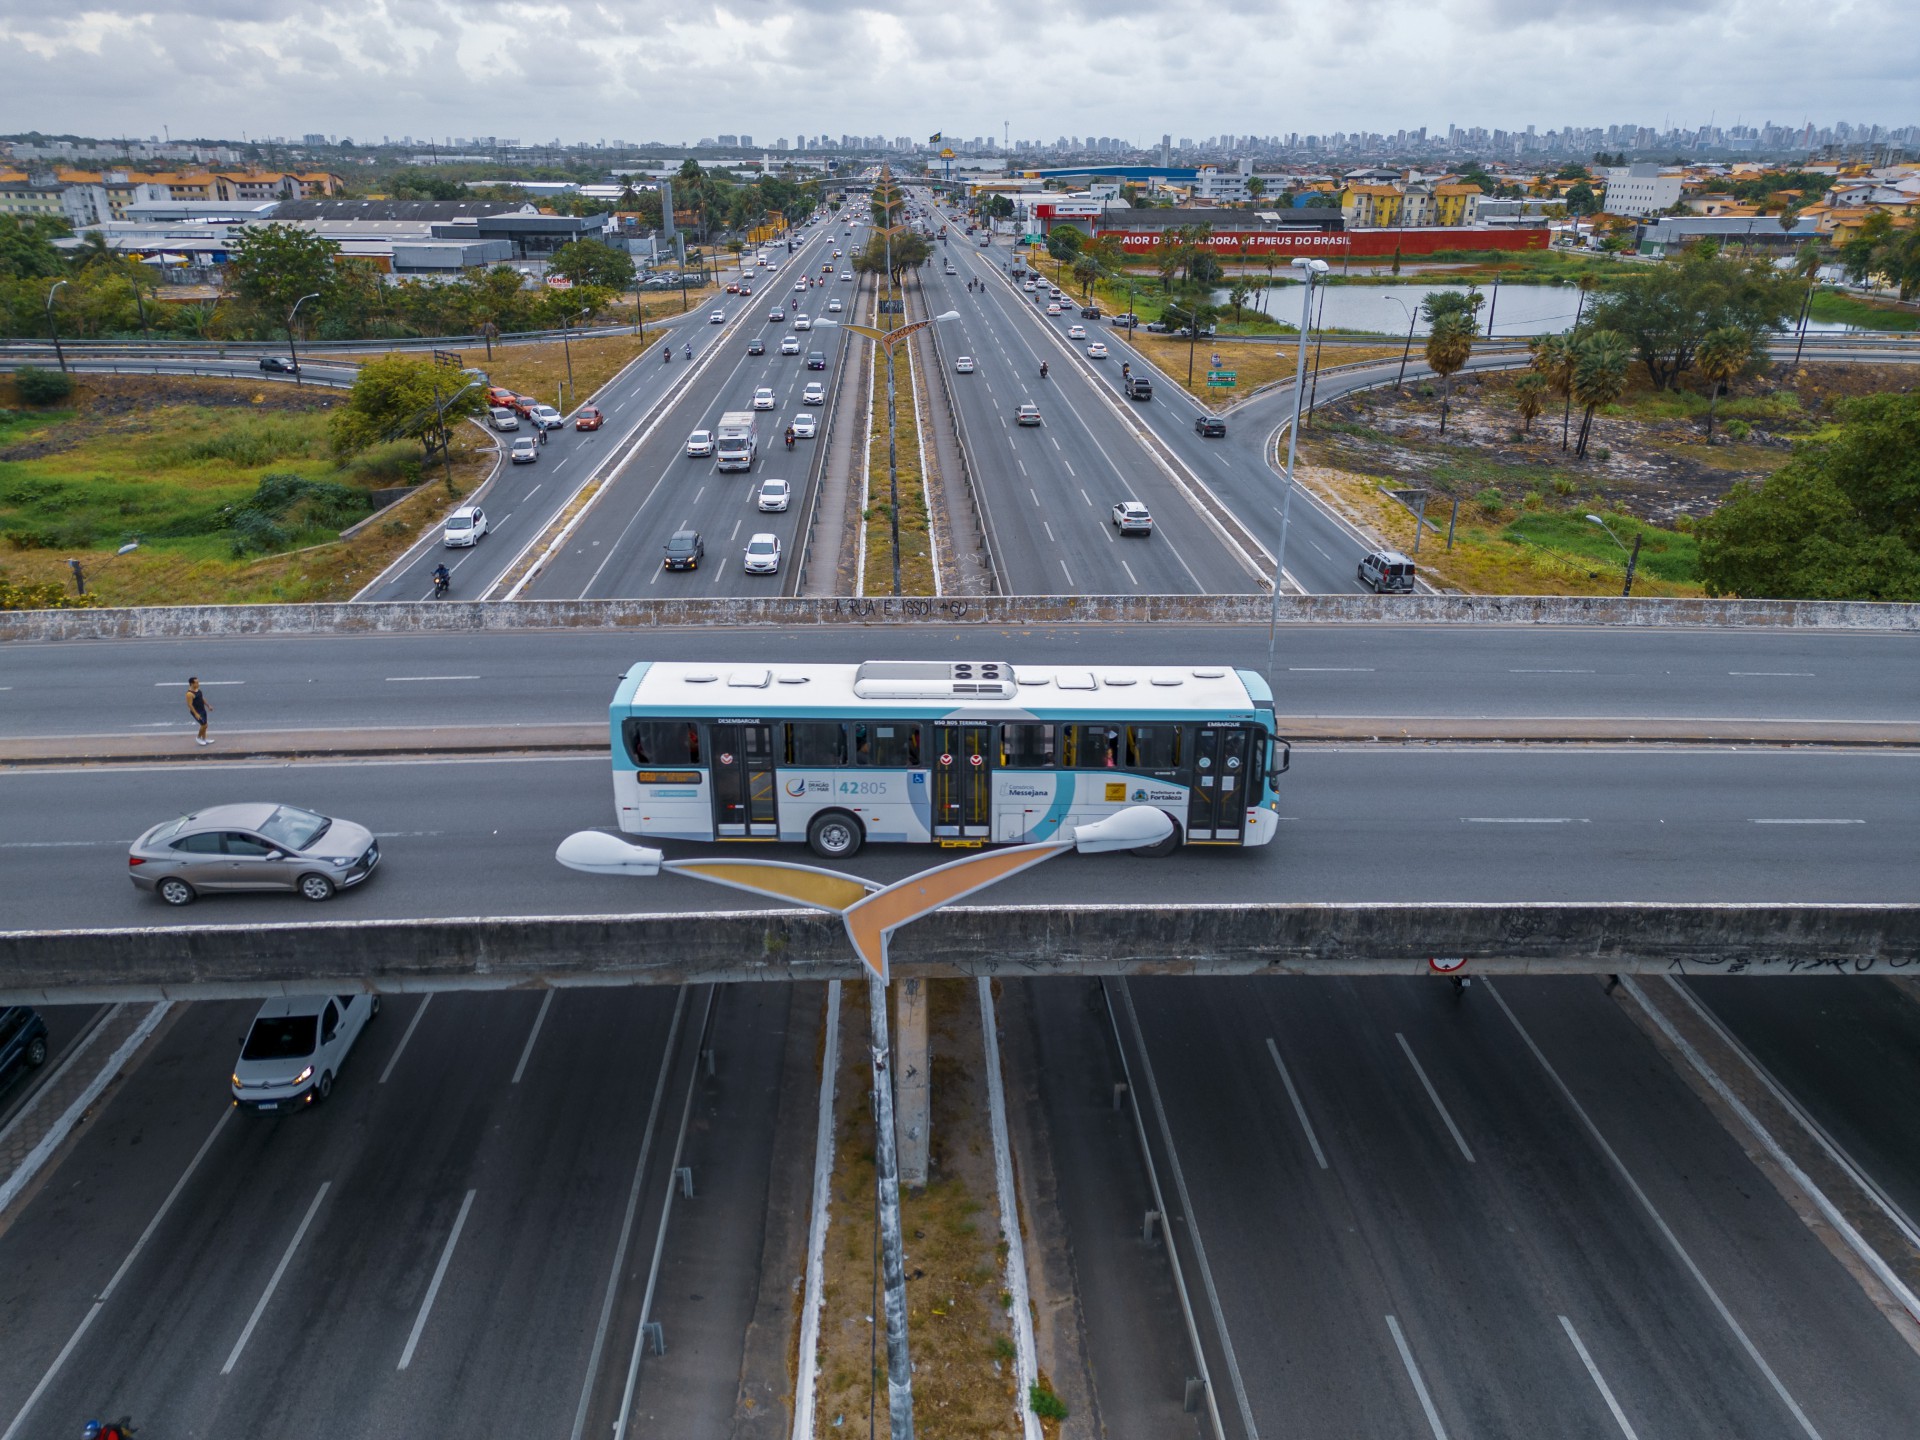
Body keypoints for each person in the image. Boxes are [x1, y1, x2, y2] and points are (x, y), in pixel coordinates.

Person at [185, 676, 210, 747]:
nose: (198, 684)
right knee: (204, 725)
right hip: (197, 712)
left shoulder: (198, 690)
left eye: (198, 682)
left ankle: (204, 739)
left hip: (202, 710)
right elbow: (189, 705)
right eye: (196, 683)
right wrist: (196, 714)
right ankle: (198, 738)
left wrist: (208, 705)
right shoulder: (189, 694)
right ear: (191, 684)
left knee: (205, 725)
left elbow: (202, 698)